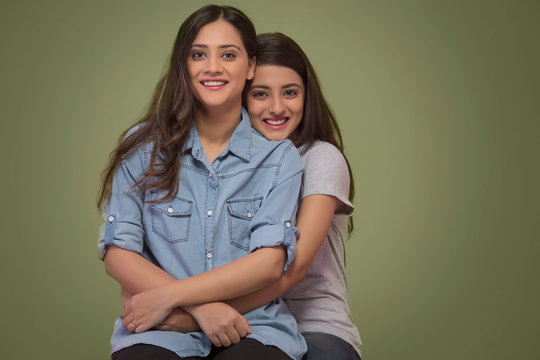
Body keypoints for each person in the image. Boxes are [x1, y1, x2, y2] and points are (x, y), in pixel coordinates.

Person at [97, 6, 307, 360]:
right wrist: (200, 309)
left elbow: (269, 263)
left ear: (251, 66)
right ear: (185, 64)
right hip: (161, 328)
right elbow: (118, 252)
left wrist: (172, 296)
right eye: (199, 54)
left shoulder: (280, 159)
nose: (213, 67)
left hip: (253, 325)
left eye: (228, 54)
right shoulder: (142, 148)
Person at [152, 33, 362, 360]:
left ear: (307, 97)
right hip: (243, 324)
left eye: (290, 93)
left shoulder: (320, 158)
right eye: (260, 93)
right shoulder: (221, 158)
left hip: (313, 326)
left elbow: (293, 269)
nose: (276, 107)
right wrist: (202, 314)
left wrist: (189, 315)